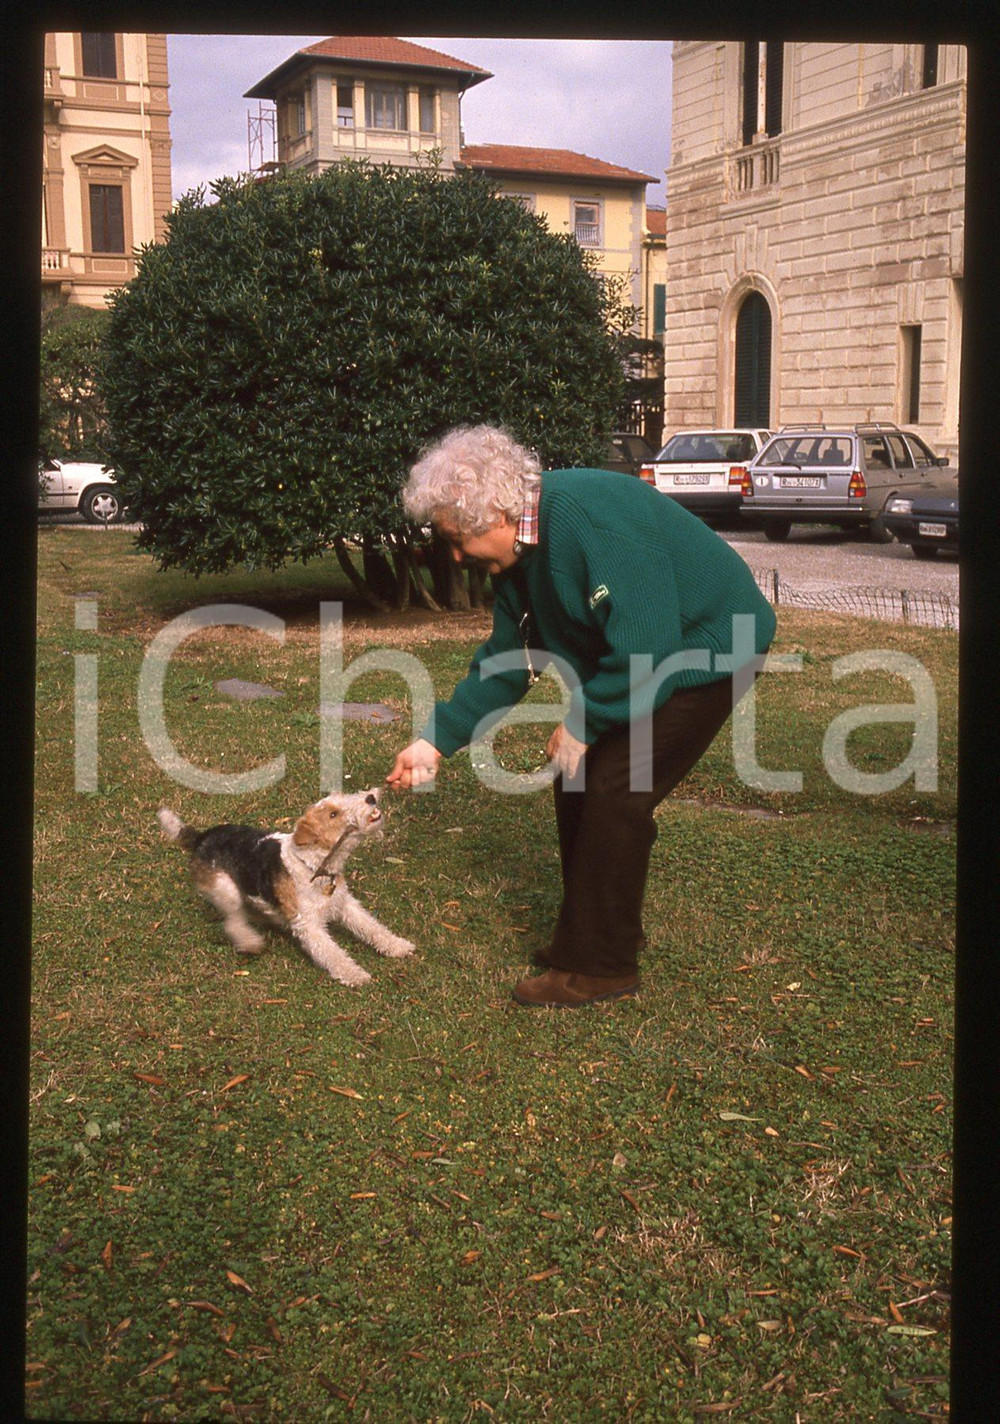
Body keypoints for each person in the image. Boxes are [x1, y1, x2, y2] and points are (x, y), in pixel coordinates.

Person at [386, 425, 776, 1007]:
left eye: (458, 540)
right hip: (648, 655)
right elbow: (511, 657)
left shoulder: (588, 520)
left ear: (494, 513)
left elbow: (648, 645)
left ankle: (600, 967)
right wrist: (436, 742)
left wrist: (584, 721)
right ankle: (593, 932)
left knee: (617, 786)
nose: (458, 556)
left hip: (710, 649)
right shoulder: (519, 555)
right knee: (577, 776)